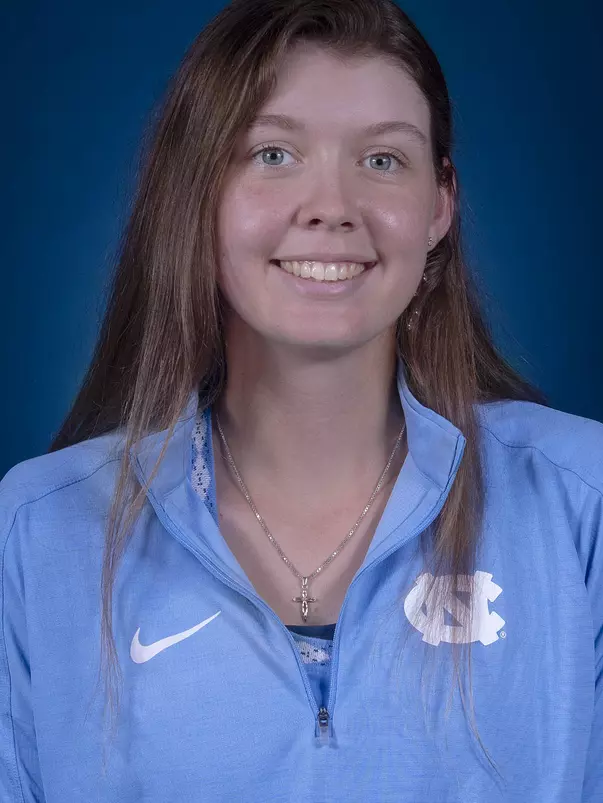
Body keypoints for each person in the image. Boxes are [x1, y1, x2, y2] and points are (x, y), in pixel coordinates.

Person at [1, 0, 601, 800]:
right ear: (196, 192)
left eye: (383, 160)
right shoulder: (34, 532)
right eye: (274, 153)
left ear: (439, 205)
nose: (331, 205)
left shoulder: (579, 504)